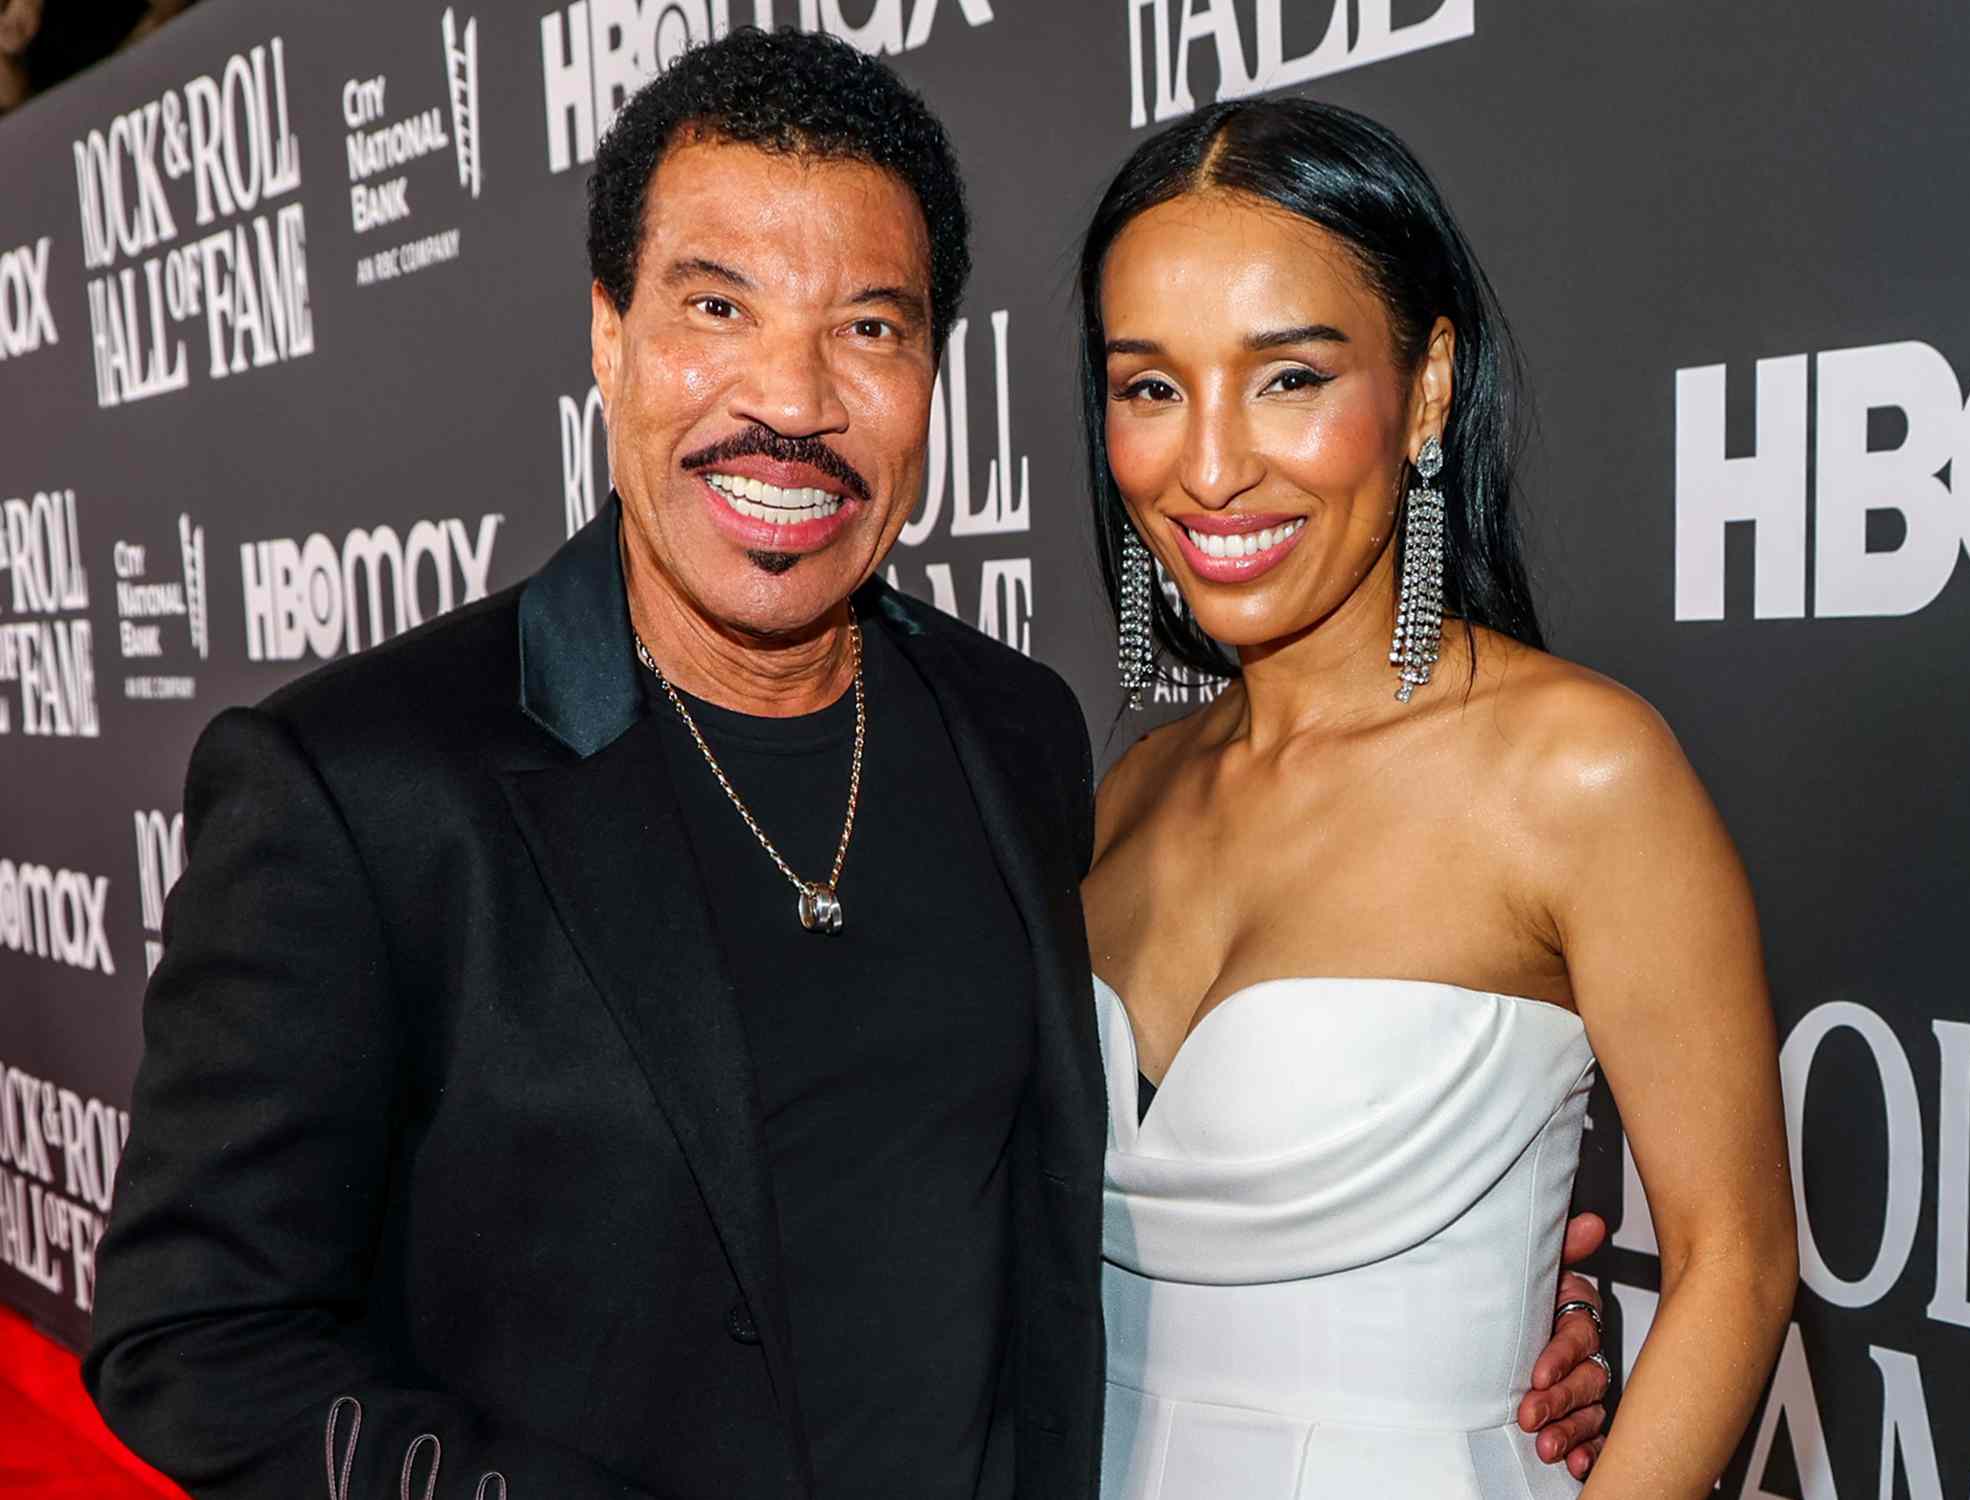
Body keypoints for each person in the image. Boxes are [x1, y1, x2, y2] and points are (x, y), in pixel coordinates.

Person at [84, 29, 1609, 1500]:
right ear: (608, 340)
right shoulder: (358, 788)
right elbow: (193, 1339)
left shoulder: (1017, 733)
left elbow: (1091, 1209)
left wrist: (1455, 1312)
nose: (793, 403)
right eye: (718, 308)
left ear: (937, 373)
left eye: (868, 328)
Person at [1079, 96, 1799, 1499]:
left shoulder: (1581, 772)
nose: (1209, 463)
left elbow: (1738, 1266)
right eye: (1149, 385)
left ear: (1425, 390)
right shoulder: (1127, 793)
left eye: (1287, 377)